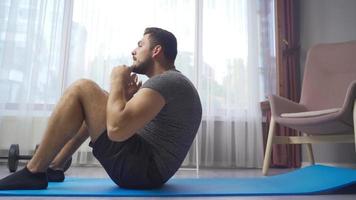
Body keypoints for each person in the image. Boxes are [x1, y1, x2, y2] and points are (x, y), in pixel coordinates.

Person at [0, 27, 202, 190]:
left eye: (140, 45)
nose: (133, 51)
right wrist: (123, 97)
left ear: (156, 51)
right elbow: (122, 120)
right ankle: (55, 166)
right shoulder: (172, 82)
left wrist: (116, 81)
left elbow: (115, 131)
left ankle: (33, 171)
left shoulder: (166, 82)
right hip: (147, 170)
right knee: (103, 101)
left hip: (141, 171)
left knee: (83, 87)